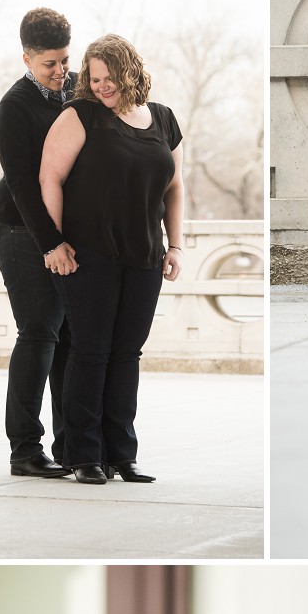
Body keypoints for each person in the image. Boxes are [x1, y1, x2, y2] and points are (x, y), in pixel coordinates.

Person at [37, 34, 184, 485]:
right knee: (90, 352)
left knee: (126, 355)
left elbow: (175, 188)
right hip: (89, 256)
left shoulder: (163, 118)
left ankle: (122, 453)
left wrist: (175, 245)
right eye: (94, 78)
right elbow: (50, 177)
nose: (101, 86)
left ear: (130, 73)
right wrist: (55, 243)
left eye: (109, 78)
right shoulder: (79, 115)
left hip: (145, 256)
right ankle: (85, 455)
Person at [0, 8, 74, 477]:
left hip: (67, 232)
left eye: (64, 60)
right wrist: (50, 244)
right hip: (21, 230)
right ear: (26, 58)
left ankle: (71, 446)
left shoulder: (80, 88)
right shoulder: (15, 107)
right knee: (39, 334)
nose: (60, 72)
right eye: (49, 65)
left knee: (70, 340)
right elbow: (22, 186)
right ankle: (24, 449)